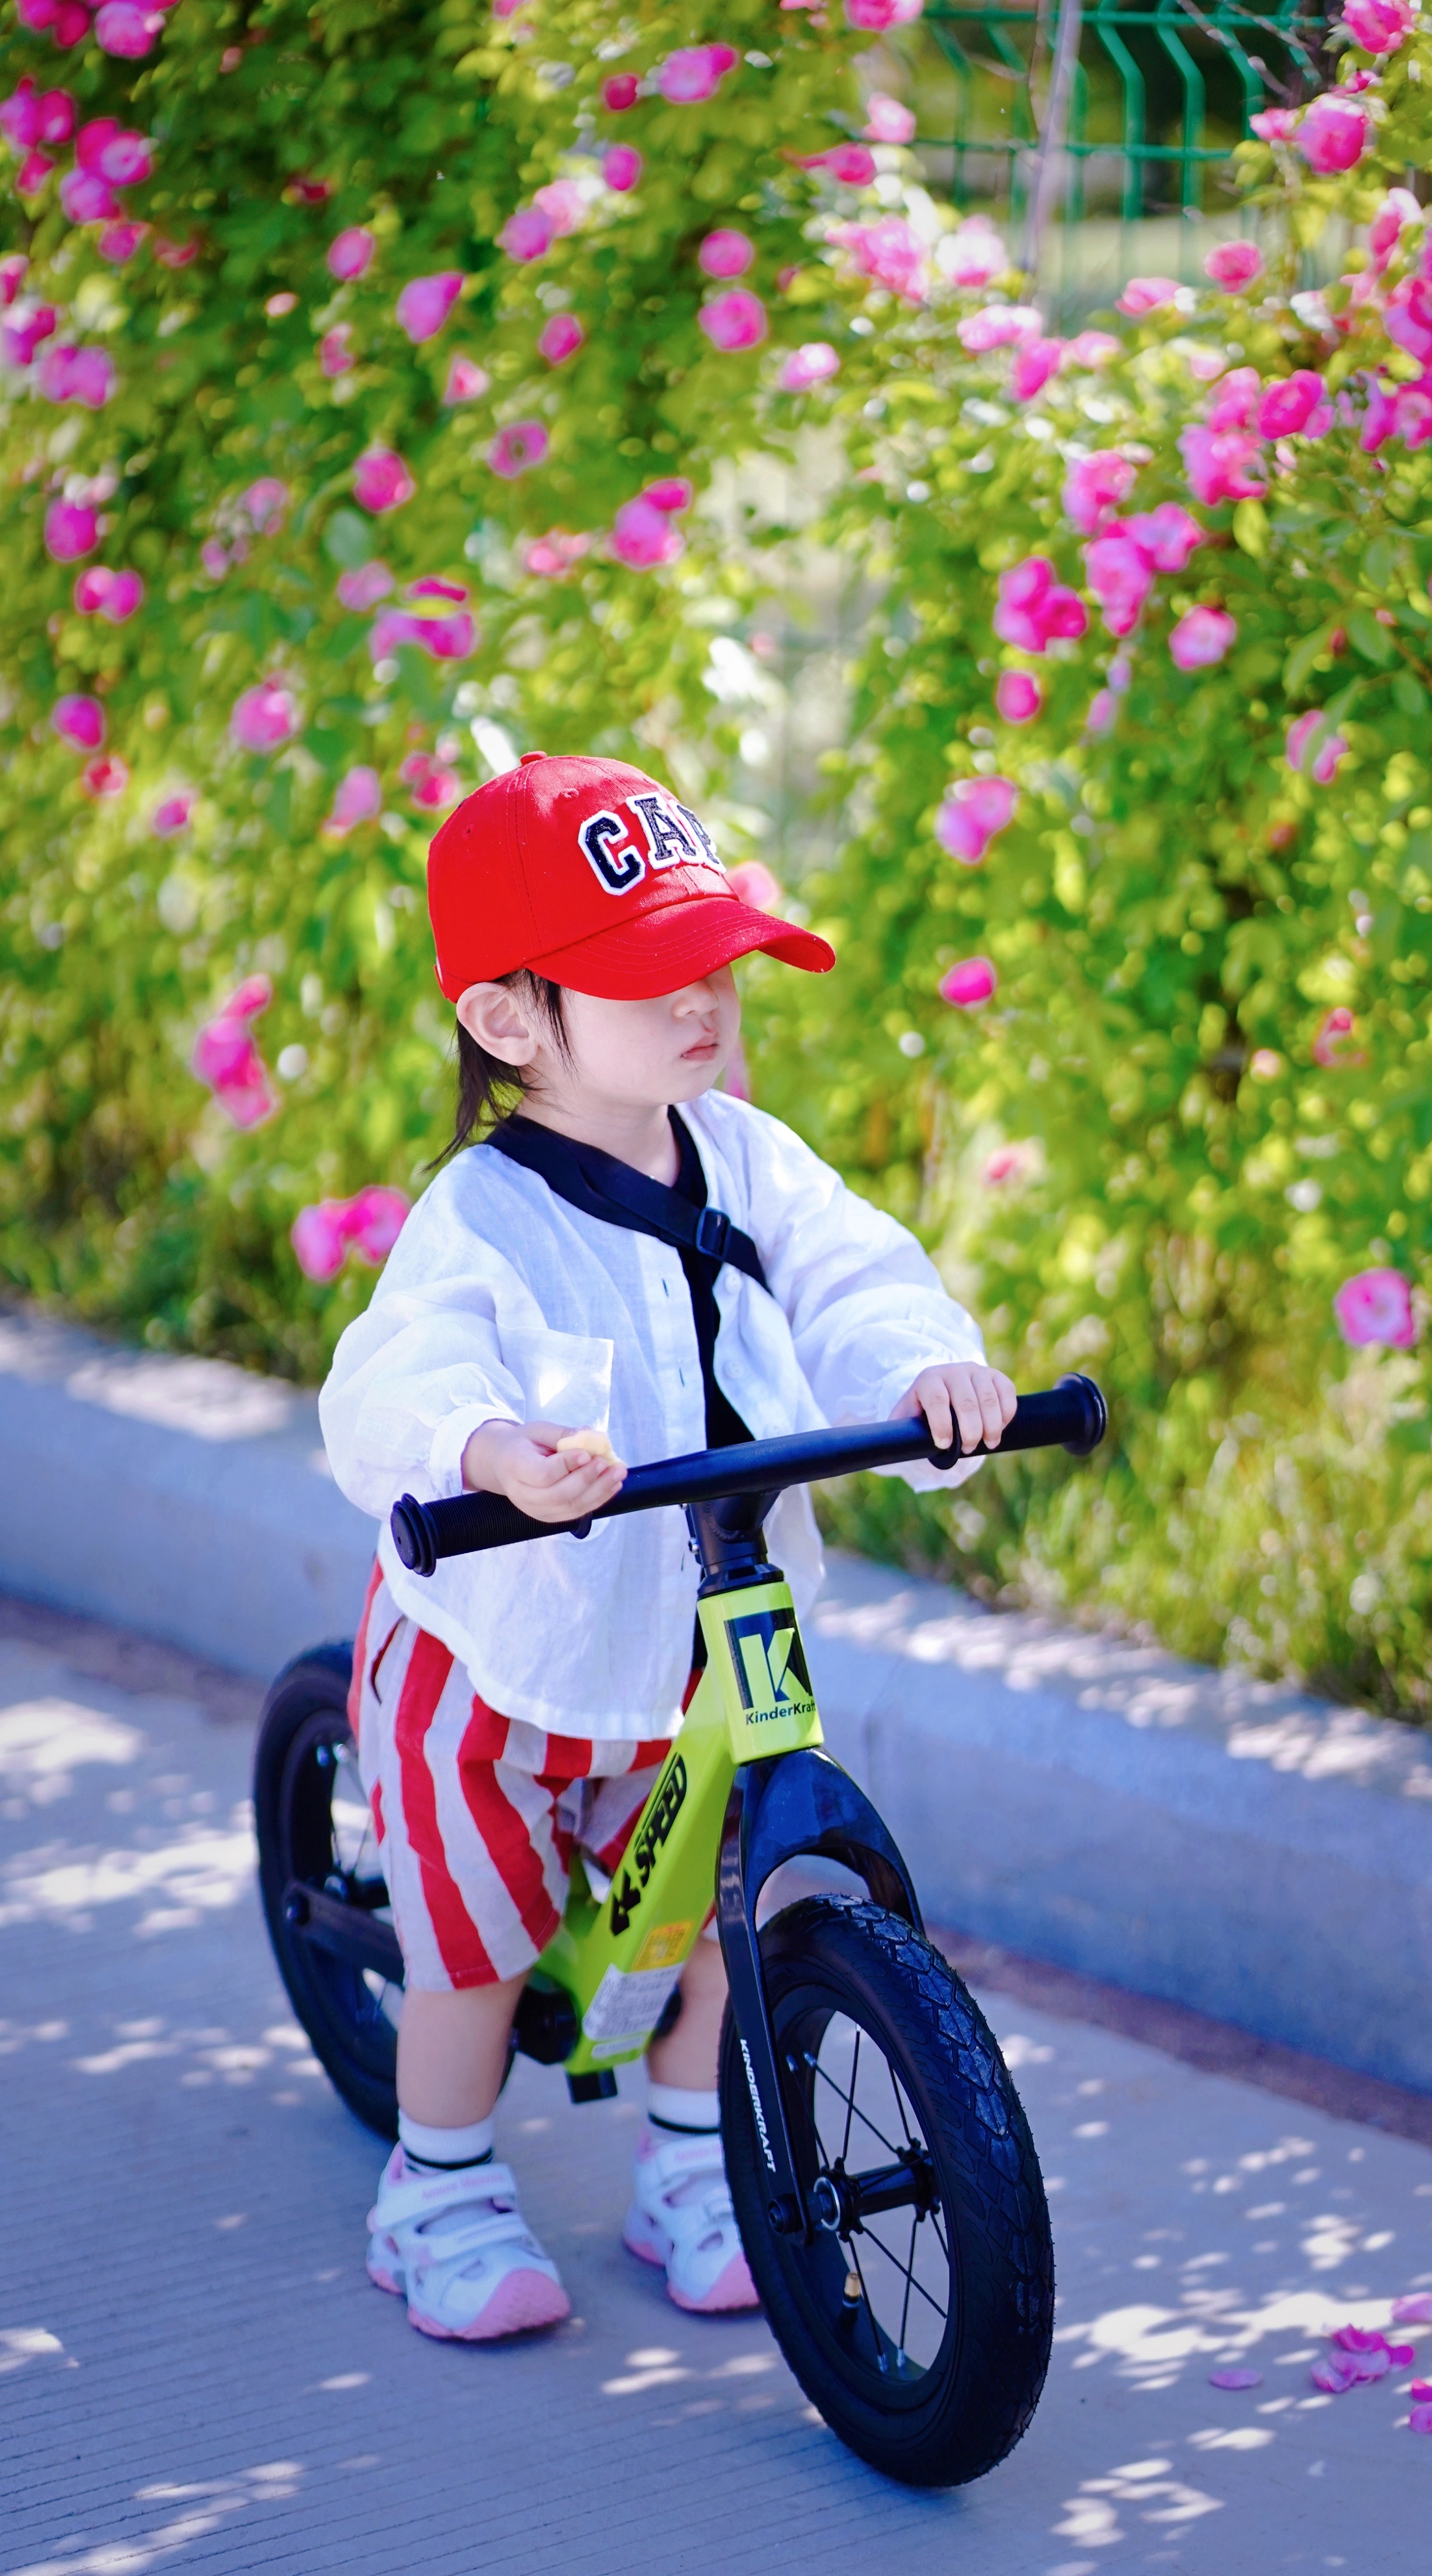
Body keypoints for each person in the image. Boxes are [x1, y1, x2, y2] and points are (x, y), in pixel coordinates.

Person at [318, 752, 1016, 2343]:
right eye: (648, 976)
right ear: (510, 1021)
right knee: (476, 1955)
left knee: (723, 1914)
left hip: (706, 1640)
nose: (703, 998)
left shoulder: (748, 1160)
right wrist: (486, 1448)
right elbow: (394, 1377)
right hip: (504, 1666)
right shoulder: (484, 1215)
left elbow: (853, 1273)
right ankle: (436, 2184)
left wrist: (924, 1368)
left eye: (713, 958)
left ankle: (692, 2159)